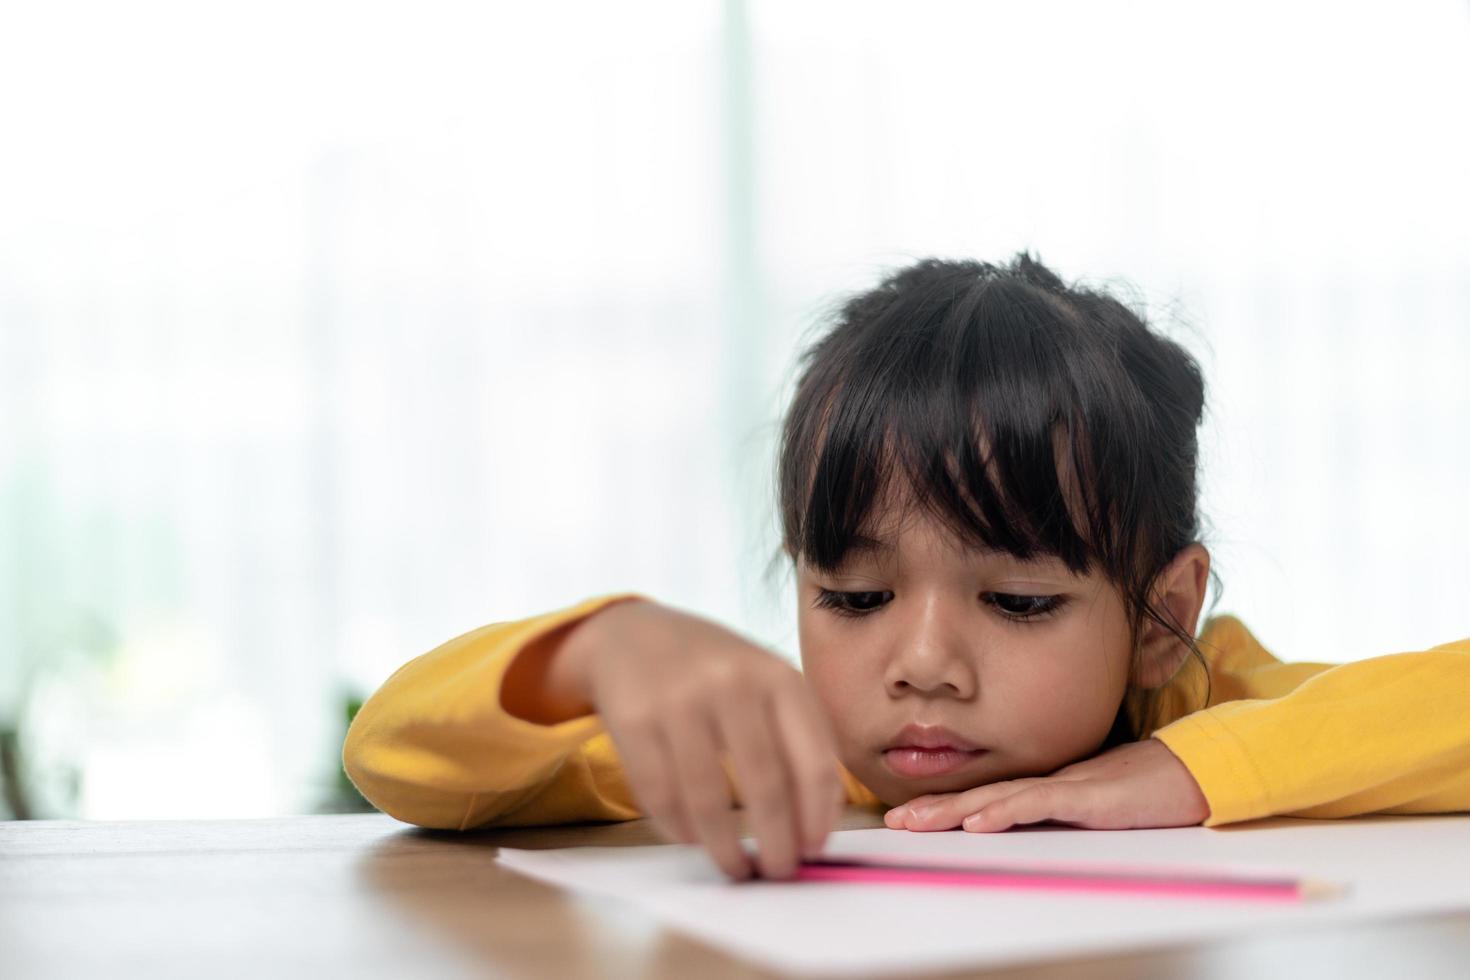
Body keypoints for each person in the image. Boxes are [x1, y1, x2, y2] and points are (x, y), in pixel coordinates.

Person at [342, 254, 1470, 882]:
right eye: (855, 596)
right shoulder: (774, 752)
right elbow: (395, 756)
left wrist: (1187, 771)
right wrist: (594, 648)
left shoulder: (1211, 695)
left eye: (1019, 599)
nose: (921, 662)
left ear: (1163, 616)